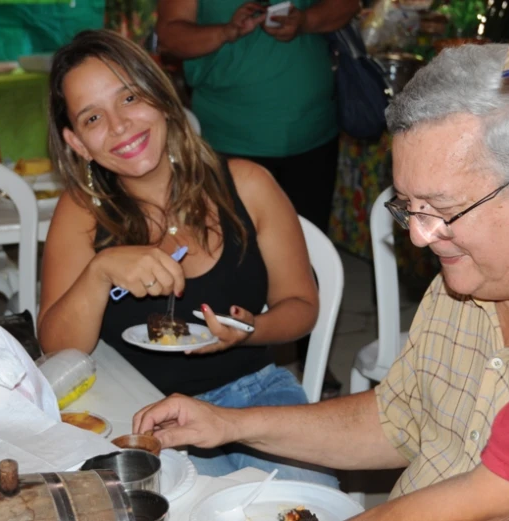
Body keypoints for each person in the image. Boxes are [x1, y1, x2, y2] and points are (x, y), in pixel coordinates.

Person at [132, 43, 509, 518]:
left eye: (443, 209)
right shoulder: (472, 273)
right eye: (409, 207)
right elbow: (399, 418)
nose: (419, 236)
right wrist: (229, 423)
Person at [36, 28, 336, 486]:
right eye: (92, 118)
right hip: (142, 410)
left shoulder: (248, 184)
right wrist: (100, 272)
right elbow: (56, 347)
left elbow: (301, 306)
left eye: (130, 97)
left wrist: (249, 331)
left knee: (308, 504)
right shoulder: (82, 213)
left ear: (160, 96)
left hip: (257, 397)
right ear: (78, 143)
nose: (119, 126)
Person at [155, 0, 360, 396]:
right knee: (227, 258)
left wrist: (306, 21)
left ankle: (307, 352)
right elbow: (171, 35)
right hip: (229, 139)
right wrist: (227, 32)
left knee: (305, 258)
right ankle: (221, 359)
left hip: (310, 130)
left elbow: (346, 4)